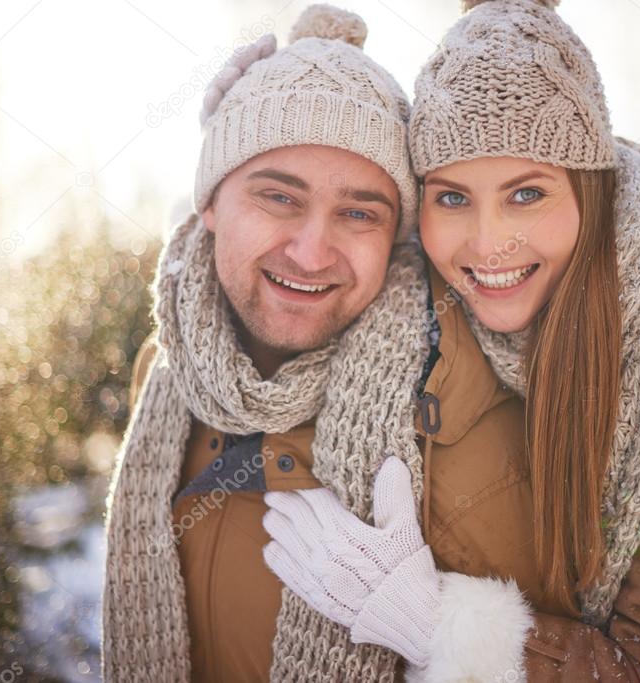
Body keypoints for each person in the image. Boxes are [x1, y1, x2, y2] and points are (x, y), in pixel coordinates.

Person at [260, 1, 640, 681]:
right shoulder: (417, 297)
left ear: (590, 191)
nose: (488, 242)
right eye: (451, 197)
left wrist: (437, 623)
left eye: (526, 194)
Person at [102, 5, 430, 681]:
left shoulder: (447, 403)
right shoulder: (164, 373)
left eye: (359, 212)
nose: (311, 252)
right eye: (278, 196)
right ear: (211, 204)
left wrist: (444, 632)